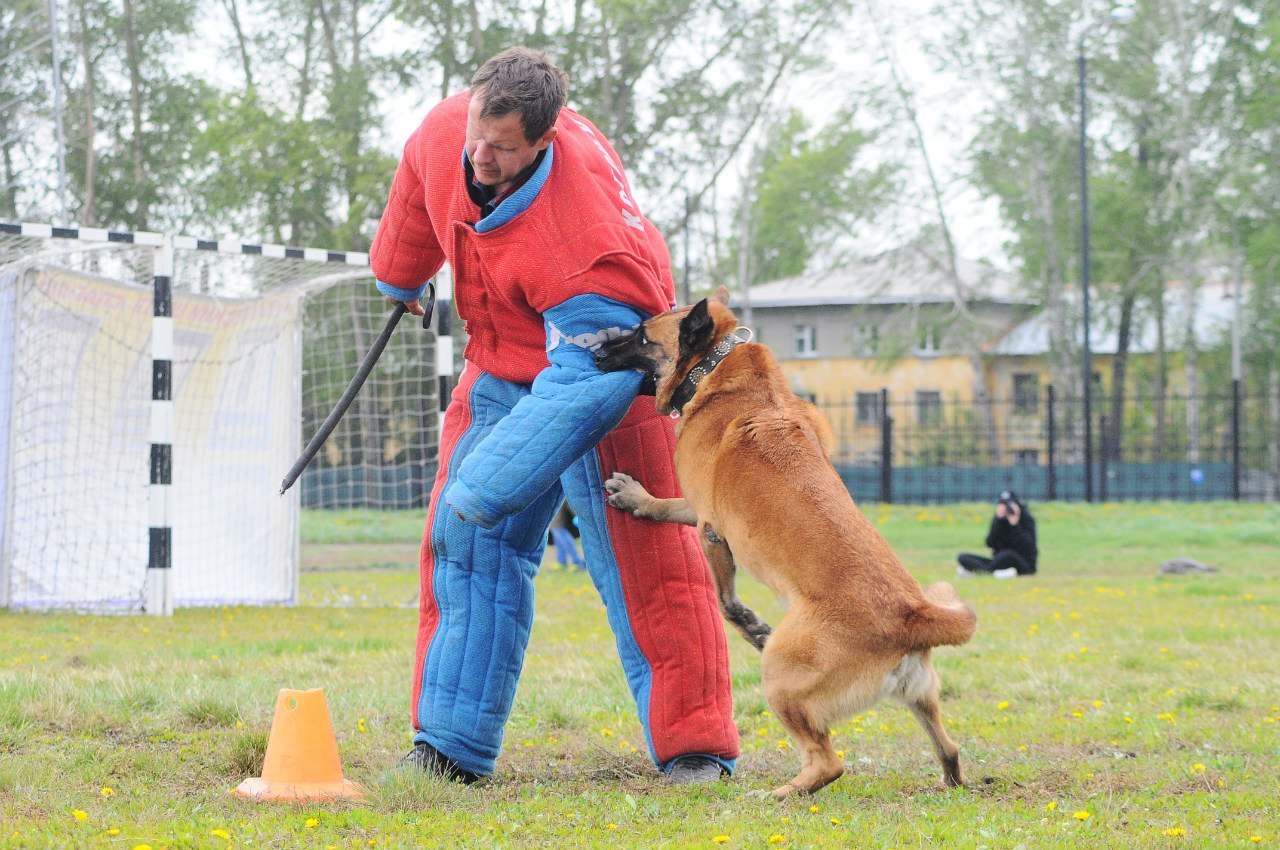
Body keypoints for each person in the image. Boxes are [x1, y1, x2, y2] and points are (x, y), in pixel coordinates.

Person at [368, 47, 739, 785]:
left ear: (544, 139)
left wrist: (485, 487)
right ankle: (446, 748)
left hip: (614, 374)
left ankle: (696, 747)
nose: (481, 156)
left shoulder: (590, 247)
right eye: (478, 134)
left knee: (651, 563)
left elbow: (586, 383)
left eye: (502, 149)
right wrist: (399, 275)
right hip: (500, 360)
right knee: (464, 551)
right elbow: (419, 181)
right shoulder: (452, 130)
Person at [956, 490, 1038, 579]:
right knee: (963, 557)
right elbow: (990, 543)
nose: (1007, 508)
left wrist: (1015, 524)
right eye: (1004, 505)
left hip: (1023, 564)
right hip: (998, 562)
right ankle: (996, 573)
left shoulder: (1026, 519)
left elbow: (1028, 546)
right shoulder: (999, 520)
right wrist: (998, 520)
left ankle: (979, 570)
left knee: (1008, 554)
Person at [548, 501, 585, 570]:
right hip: (553, 521)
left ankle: (578, 562)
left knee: (564, 539)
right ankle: (562, 562)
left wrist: (576, 515)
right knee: (558, 541)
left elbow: (568, 502)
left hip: (557, 520)